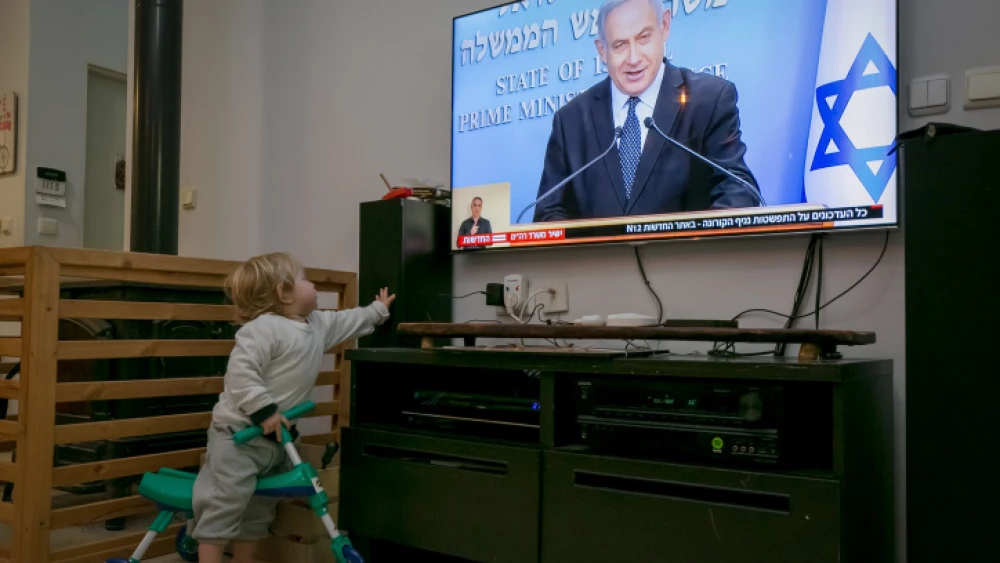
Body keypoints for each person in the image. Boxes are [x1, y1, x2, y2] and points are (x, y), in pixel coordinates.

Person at [190, 252, 394, 563]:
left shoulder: (317, 324)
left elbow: (347, 321)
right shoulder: (262, 330)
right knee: (223, 504)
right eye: (304, 278)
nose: (312, 284)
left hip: (278, 440)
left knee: (259, 509)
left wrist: (377, 311)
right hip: (239, 437)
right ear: (284, 293)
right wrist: (266, 412)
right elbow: (242, 375)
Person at [533, 0, 760, 223]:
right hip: (597, 260)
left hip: (686, 257)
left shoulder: (709, 100)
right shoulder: (570, 121)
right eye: (620, 45)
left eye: (643, 38)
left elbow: (738, 188)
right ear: (602, 50)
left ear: (665, 26)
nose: (633, 58)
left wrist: (697, 246)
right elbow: (548, 213)